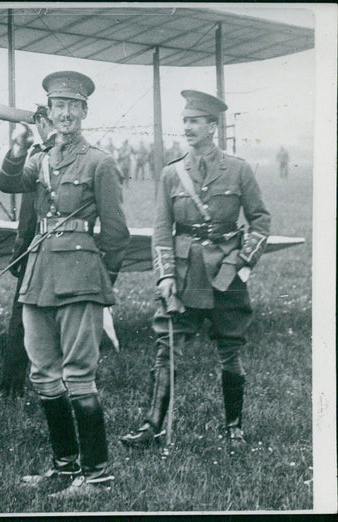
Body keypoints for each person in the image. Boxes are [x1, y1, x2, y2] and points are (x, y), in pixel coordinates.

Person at [0, 71, 130, 497]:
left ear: (85, 112)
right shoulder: (40, 157)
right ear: (49, 112)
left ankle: (97, 476)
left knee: (78, 376)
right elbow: (6, 183)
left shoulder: (100, 161)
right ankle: (64, 466)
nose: (66, 114)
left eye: (74, 106)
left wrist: (100, 280)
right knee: (43, 374)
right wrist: (17, 149)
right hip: (39, 275)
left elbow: (116, 232)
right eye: (59, 106)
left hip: (79, 277)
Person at [120, 90, 270, 452]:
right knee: (167, 346)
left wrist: (241, 262)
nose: (187, 127)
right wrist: (165, 276)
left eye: (194, 121)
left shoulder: (239, 169)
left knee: (230, 348)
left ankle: (234, 426)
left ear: (212, 126)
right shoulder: (172, 174)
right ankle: (152, 424)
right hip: (185, 275)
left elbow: (261, 222)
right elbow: (161, 230)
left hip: (226, 273)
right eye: (185, 120)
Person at [0, 105, 55, 398]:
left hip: (65, 249)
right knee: (20, 317)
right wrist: (18, 146)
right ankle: (11, 384)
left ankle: (58, 383)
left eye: (49, 121)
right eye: (42, 122)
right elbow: (12, 188)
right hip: (34, 246)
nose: (46, 126)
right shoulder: (36, 157)